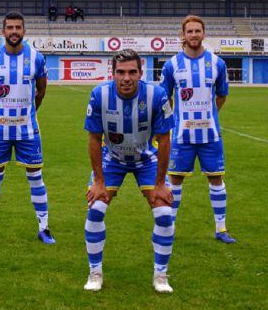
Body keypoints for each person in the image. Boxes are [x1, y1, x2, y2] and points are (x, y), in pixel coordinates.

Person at [82, 50, 176, 294]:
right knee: (95, 210)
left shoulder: (157, 95)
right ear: (112, 73)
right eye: (121, 72)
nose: (126, 78)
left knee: (165, 213)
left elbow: (164, 141)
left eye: (132, 72)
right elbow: (94, 140)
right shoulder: (99, 95)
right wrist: (99, 181)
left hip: (146, 159)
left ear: (140, 73)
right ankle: (95, 273)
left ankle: (161, 276)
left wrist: (160, 185)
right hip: (112, 159)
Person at [0, 11, 52, 244]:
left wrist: (29, 111)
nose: (14, 31)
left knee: (36, 178)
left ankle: (44, 228)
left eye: (18, 27)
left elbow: (42, 90)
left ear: (24, 31)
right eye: (10, 27)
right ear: (3, 31)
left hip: (28, 129)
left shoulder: (37, 58)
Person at [160, 15, 235, 243]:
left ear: (204, 34)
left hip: (210, 133)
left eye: (197, 31)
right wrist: (173, 120)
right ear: (183, 35)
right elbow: (165, 97)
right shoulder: (172, 64)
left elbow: (222, 95)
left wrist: (209, 115)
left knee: (216, 179)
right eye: (189, 31)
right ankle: (168, 228)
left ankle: (221, 229)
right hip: (182, 134)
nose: (193, 35)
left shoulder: (217, 63)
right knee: (174, 180)